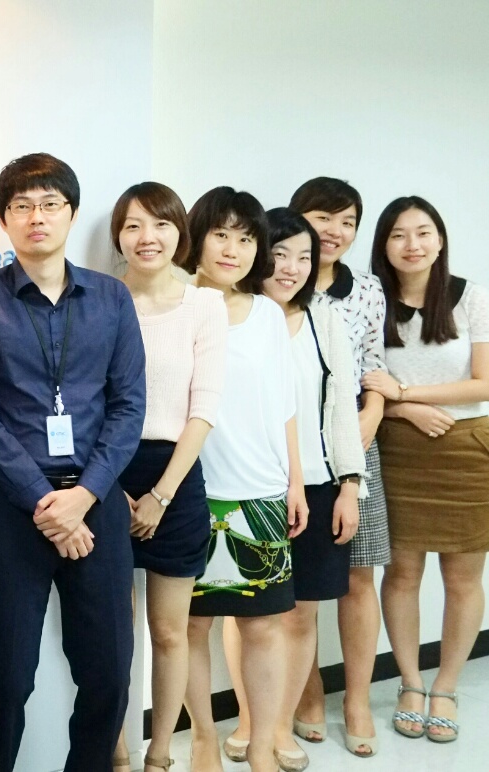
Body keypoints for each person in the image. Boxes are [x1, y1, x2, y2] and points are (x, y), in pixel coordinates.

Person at [0, 153, 145, 772]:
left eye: (49, 204)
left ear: (71, 213)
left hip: (97, 504)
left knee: (108, 673)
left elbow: (129, 406)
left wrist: (83, 497)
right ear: (4, 220)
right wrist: (46, 502)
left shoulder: (111, 298)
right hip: (14, 508)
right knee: (3, 677)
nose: (36, 217)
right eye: (22, 206)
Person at [173, 187, 308, 772]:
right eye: (221, 235)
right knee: (190, 627)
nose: (233, 249)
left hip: (260, 492)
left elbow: (285, 406)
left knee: (264, 626)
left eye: (247, 238)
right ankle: (204, 738)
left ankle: (260, 749)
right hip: (190, 493)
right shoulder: (175, 305)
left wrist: (294, 482)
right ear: (197, 238)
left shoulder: (267, 315)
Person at [227, 208, 364, 770]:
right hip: (251, 484)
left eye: (304, 257)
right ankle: (248, 720)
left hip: (319, 485)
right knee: (248, 613)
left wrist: (350, 484)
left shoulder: (324, 320)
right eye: (280, 254)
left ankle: (280, 725)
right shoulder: (233, 313)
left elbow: (343, 407)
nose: (291, 267)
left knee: (301, 614)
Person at [362, 196, 489, 744]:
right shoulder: (370, 300)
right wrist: (403, 409)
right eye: (398, 234)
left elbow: (484, 383)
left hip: (467, 448)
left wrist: (406, 391)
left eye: (422, 232)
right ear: (383, 245)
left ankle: (447, 686)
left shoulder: (472, 297)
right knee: (402, 574)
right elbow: (361, 386)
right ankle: (411, 682)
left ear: (440, 240)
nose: (411, 244)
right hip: (396, 449)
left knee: (462, 578)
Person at [109, 182, 226, 772]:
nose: (146, 237)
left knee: (170, 631)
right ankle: (117, 750)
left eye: (159, 224)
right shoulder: (103, 300)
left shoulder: (204, 305)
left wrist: (160, 494)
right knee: (114, 633)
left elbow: (204, 408)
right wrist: (111, 488)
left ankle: (159, 752)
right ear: (118, 237)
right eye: (132, 225)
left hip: (174, 477)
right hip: (107, 473)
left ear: (180, 233)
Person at [288, 177, 388, 757]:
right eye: (322, 217)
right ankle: (308, 691)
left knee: (359, 573)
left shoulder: (366, 289)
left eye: (347, 221)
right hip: (293, 443)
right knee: (295, 581)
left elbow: (374, 364)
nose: (334, 230)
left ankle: (357, 700)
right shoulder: (277, 280)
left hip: (354, 440)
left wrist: (371, 413)